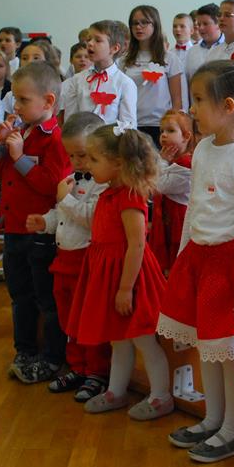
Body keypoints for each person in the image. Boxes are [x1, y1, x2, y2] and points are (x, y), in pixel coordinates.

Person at [158, 60, 234, 463]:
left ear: (228, 106)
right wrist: (182, 260)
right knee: (206, 347)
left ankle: (233, 430)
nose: (191, 109)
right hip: (200, 259)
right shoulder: (205, 149)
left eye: (197, 100)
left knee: (228, 353)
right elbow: (195, 207)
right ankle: (213, 419)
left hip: (231, 266)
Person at [66, 123, 172, 419]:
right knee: (118, 338)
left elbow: (137, 244)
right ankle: (116, 390)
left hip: (129, 276)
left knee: (143, 339)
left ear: (118, 163)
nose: (87, 164)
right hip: (108, 274)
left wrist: (126, 288)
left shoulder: (129, 197)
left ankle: (161, 396)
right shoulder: (108, 193)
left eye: (94, 159)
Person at [0, 62, 70, 381]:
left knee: (46, 299)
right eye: (15, 98)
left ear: (48, 101)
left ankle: (52, 357)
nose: (16, 106)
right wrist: (0, 145)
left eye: (23, 100)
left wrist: (20, 158)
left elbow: (51, 186)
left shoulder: (55, 139)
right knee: (19, 296)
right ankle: (24, 350)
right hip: (13, 228)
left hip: (40, 232)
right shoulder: (20, 131)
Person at [26, 112, 111, 401]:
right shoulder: (70, 180)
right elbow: (63, 215)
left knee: (89, 319)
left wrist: (66, 198)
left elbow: (92, 219)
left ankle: (97, 371)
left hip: (87, 260)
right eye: (71, 156)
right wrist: (46, 222)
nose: (76, 162)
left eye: (83, 155)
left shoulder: (104, 184)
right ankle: (77, 366)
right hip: (63, 260)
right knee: (69, 319)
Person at [121, 5, 182, 148]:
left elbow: (177, 99)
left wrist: (172, 125)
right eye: (135, 23)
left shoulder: (170, 58)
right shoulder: (123, 61)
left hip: (159, 124)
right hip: (131, 123)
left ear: (155, 24)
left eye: (144, 22)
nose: (138, 27)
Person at [60, 20, 137, 126]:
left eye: (98, 40)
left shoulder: (125, 83)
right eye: (89, 39)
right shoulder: (76, 80)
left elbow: (128, 125)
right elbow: (70, 121)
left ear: (114, 48)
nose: (90, 43)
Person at [149, 109, 195, 274]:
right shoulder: (170, 161)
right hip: (165, 220)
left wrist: (161, 162)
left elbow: (157, 185)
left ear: (186, 136)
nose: (163, 135)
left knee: (176, 263)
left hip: (177, 223)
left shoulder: (186, 164)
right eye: (162, 131)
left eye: (170, 131)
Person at [184, 4, 224, 83]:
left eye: (205, 24)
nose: (201, 28)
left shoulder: (229, 49)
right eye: (199, 24)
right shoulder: (191, 51)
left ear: (218, 23)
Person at [169, 15, 193, 110]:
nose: (178, 29)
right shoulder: (168, 55)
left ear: (191, 30)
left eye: (182, 26)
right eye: (175, 26)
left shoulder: (195, 53)